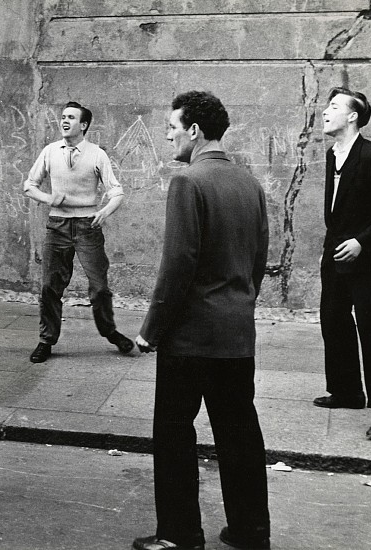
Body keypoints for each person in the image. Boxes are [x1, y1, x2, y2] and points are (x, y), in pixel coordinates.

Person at [133, 91, 270, 550]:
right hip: (236, 333)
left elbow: (177, 266)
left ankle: (179, 534)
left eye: (172, 125)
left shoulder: (188, 182)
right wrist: (239, 303)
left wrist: (150, 329)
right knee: (240, 433)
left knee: (173, 432)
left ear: (194, 130)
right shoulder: (249, 184)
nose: (168, 132)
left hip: (190, 337)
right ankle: (251, 530)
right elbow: (258, 260)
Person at [313, 88, 371, 439]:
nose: (325, 111)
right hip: (335, 254)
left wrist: (360, 242)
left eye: (334, 106)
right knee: (333, 321)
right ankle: (348, 391)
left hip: (364, 260)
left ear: (353, 116)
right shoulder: (332, 154)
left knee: (370, 328)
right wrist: (334, 244)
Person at [23, 101, 134, 363]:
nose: (64, 121)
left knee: (99, 288)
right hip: (57, 227)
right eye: (63, 117)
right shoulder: (50, 151)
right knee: (50, 286)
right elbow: (29, 185)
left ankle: (110, 333)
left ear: (83, 125)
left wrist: (104, 212)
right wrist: (49, 198)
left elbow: (117, 191)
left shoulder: (97, 154)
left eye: (71, 118)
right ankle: (46, 340)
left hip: (88, 227)